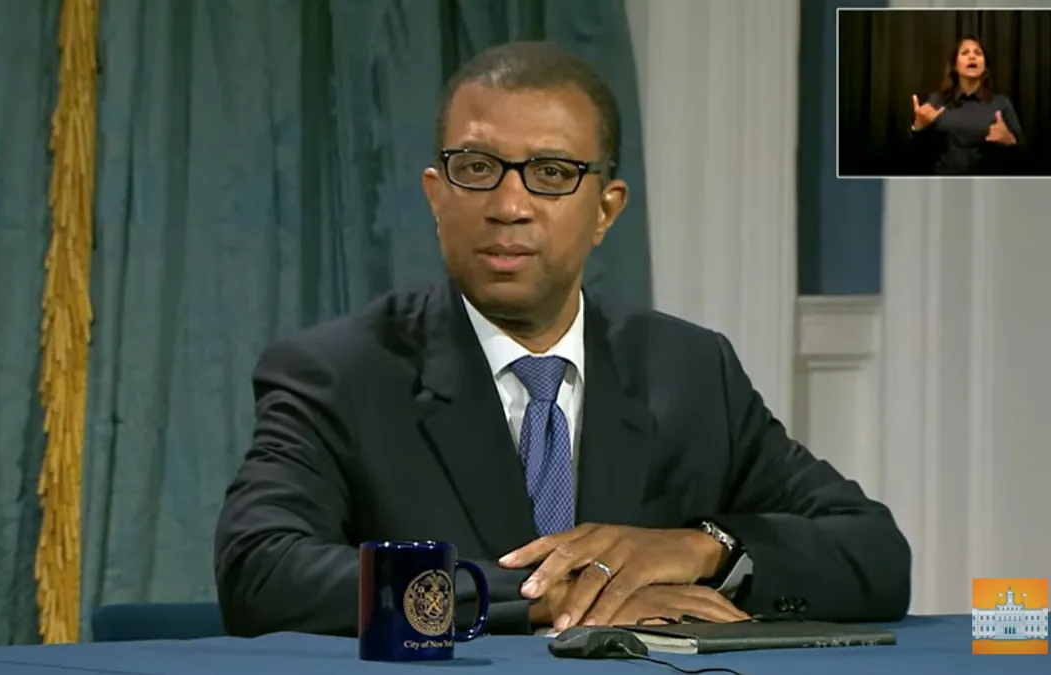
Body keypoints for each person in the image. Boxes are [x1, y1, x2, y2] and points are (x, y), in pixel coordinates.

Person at [214, 40, 912, 638]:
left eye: (552, 174)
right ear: (436, 194)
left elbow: (875, 553)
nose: (509, 206)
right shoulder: (338, 372)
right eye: (477, 168)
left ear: (606, 209)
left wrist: (702, 549)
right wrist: (542, 592)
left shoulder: (691, 370)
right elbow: (262, 570)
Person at [910, 35, 1024, 175]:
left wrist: (1010, 141)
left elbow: (1024, 155)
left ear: (985, 66)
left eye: (978, 53)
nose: (972, 57)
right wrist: (917, 128)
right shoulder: (937, 101)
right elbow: (914, 154)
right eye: (965, 53)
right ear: (955, 66)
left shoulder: (1000, 103)